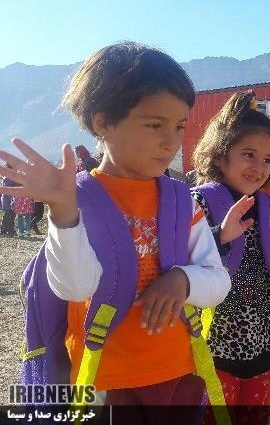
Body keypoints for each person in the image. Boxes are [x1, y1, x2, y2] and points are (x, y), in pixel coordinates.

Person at [0, 42, 233, 424]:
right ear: (103, 123)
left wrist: (182, 280)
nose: (171, 141)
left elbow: (218, 281)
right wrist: (63, 214)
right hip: (103, 380)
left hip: (178, 371)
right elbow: (75, 287)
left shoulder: (181, 201)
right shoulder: (78, 199)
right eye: (155, 125)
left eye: (179, 126)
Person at [191, 90, 270, 425]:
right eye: (248, 154)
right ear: (220, 155)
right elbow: (182, 259)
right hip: (213, 344)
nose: (258, 168)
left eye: (267, 159)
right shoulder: (198, 204)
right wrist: (219, 236)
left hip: (264, 342)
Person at [1, 165, 17, 236]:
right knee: (9, 215)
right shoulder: (7, 178)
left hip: (10, 199)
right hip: (8, 200)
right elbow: (8, 190)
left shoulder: (10, 177)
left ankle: (6, 230)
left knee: (10, 215)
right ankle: (9, 231)